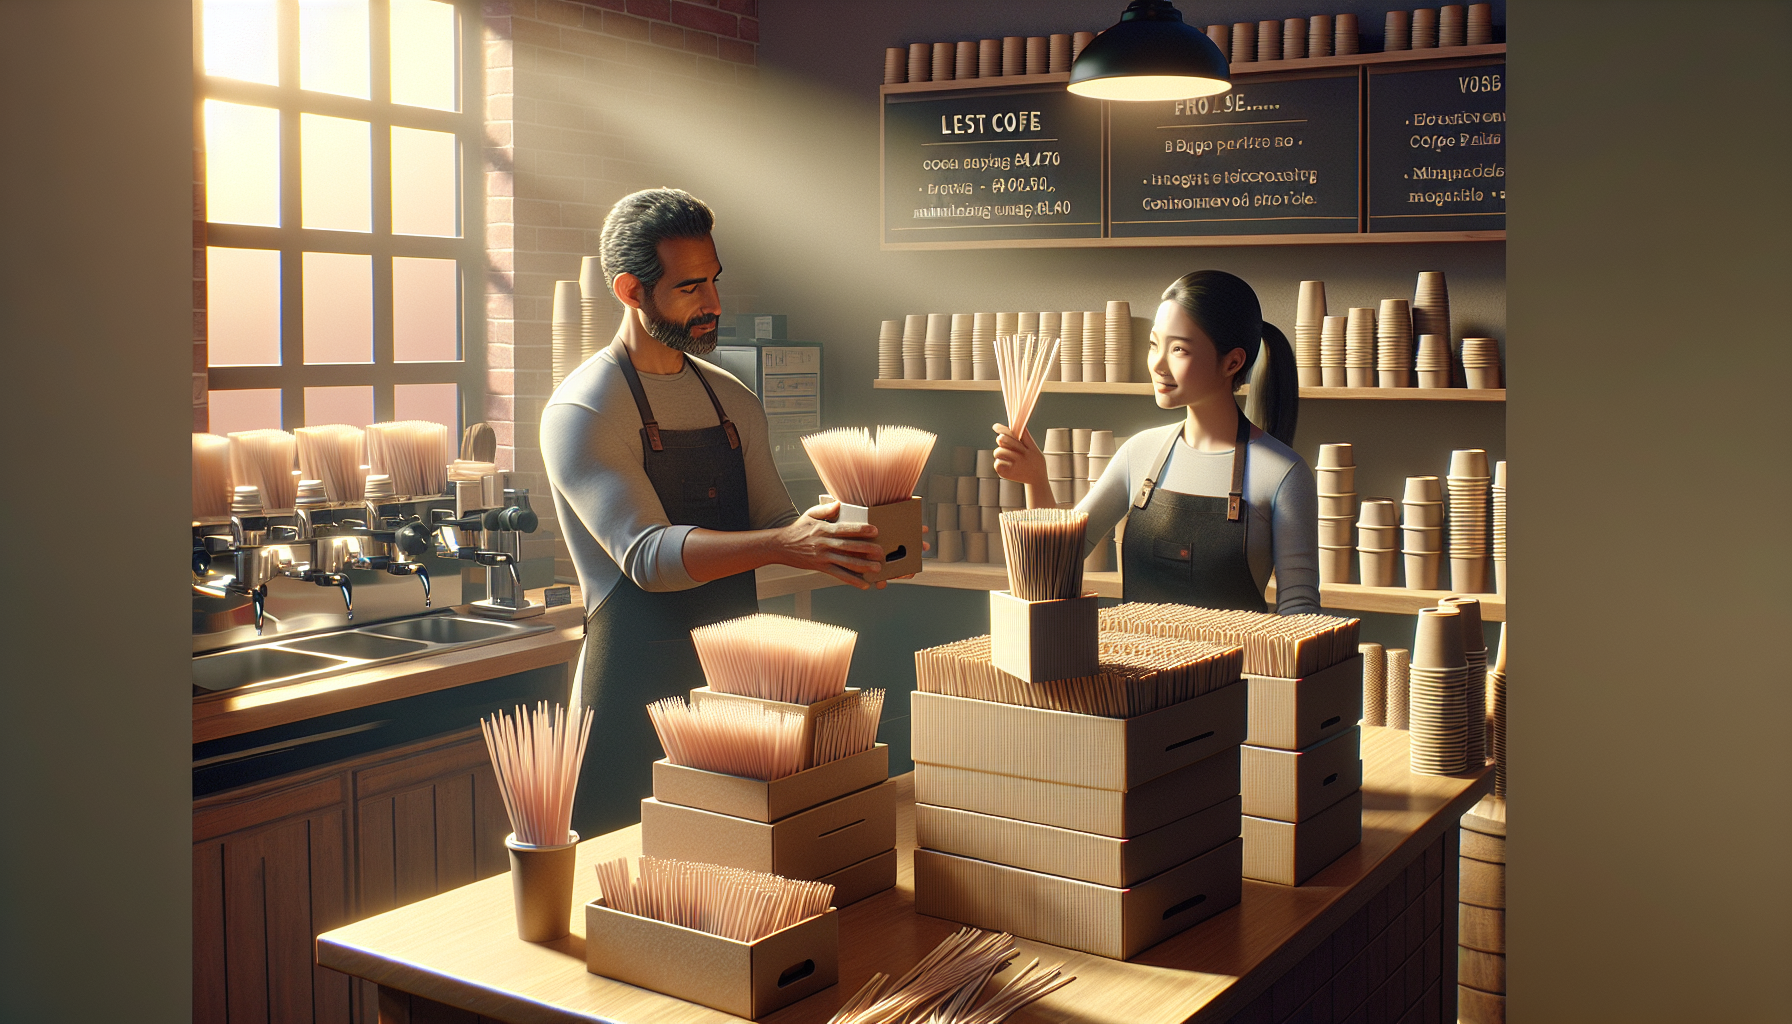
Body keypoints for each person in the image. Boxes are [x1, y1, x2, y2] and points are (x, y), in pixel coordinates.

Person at [542, 188, 889, 837]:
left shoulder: (730, 398)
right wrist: (786, 543)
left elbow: (777, 522)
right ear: (630, 290)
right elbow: (647, 557)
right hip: (628, 705)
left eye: (715, 282)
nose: (713, 305)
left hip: (736, 703)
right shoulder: (585, 409)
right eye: (690, 288)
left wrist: (844, 534)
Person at [992, 270, 1319, 614]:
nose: (1158, 364)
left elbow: (1299, 611)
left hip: (1236, 668)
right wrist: (1035, 478)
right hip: (1139, 667)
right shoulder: (1139, 453)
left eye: (1178, 349)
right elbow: (1054, 565)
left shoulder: (1283, 474)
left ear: (1232, 362)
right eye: (1153, 345)